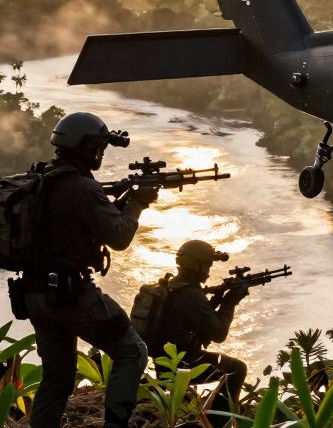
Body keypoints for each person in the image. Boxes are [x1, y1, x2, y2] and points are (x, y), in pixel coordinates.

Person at [26, 111, 156, 428]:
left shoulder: (43, 178)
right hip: (70, 295)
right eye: (98, 146)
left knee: (57, 379)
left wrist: (124, 200)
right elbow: (120, 237)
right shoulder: (82, 187)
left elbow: (83, 223)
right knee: (132, 351)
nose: (100, 152)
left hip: (35, 294)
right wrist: (138, 202)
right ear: (86, 147)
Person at [149, 240, 250, 411]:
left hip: (163, 363)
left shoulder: (172, 286)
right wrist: (229, 303)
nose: (209, 272)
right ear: (198, 266)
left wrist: (217, 299)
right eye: (208, 266)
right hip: (183, 365)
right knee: (237, 369)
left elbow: (198, 319)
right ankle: (218, 420)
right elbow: (218, 335)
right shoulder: (191, 294)